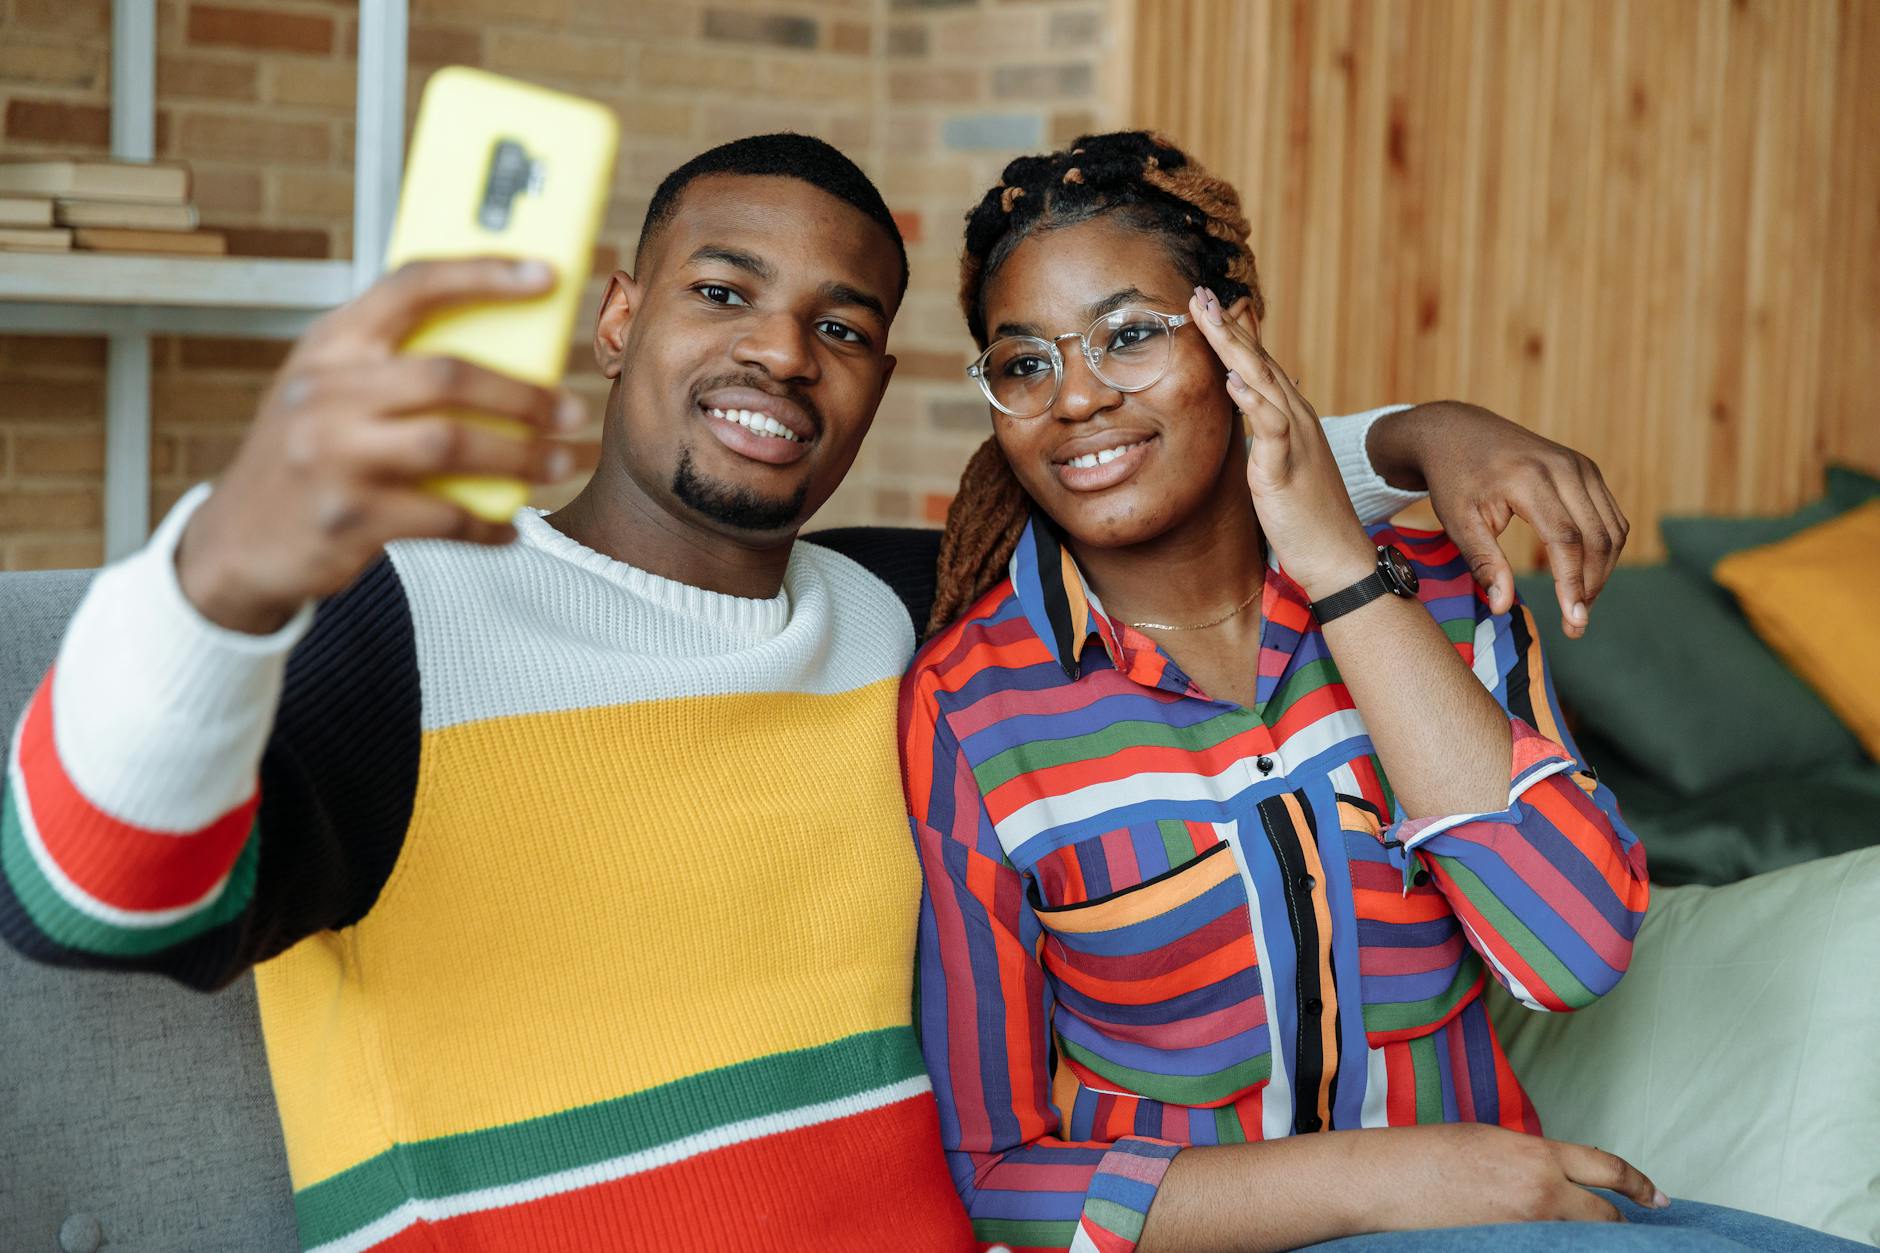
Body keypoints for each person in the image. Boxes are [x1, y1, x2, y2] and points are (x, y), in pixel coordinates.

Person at [3, 134, 1636, 1252]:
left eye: (843, 325)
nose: (784, 354)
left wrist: (1424, 430)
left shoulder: (893, 606)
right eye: (725, 293)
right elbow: (88, 908)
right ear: (619, 315)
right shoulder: (409, 610)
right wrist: (221, 574)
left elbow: (1146, 471)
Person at [900, 131, 1861, 1253]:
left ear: (1233, 329)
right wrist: (1389, 1177)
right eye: (1023, 363)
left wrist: (1343, 575)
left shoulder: (1440, 588)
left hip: (1501, 1225)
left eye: (1127, 336)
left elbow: (1574, 950)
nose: (1073, 398)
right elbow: (1001, 1176)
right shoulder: (972, 703)